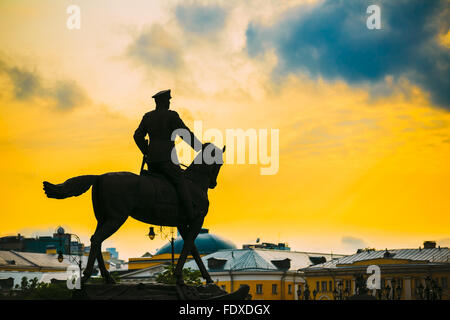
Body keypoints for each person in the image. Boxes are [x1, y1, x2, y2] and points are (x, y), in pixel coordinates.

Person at [133, 89, 202, 223]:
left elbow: (137, 136)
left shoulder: (147, 117)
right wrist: (200, 148)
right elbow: (185, 135)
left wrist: (146, 151)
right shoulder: (171, 116)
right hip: (167, 160)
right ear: (164, 102)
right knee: (180, 181)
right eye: (168, 100)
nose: (169, 103)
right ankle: (190, 213)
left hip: (152, 162)